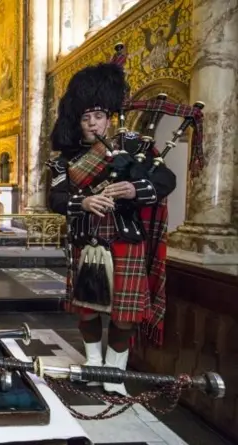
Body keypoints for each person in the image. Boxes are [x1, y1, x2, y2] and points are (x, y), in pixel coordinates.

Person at [45, 59, 178, 396]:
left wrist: (135, 188)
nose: (92, 124)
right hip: (87, 238)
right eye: (86, 118)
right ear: (78, 122)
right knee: (88, 310)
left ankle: (114, 374)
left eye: (98, 117)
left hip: (125, 239)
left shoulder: (136, 146)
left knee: (125, 314)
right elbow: (56, 199)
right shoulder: (64, 159)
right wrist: (84, 203)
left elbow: (166, 179)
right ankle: (93, 365)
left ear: (110, 118)